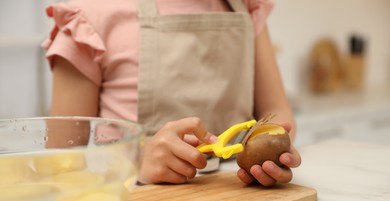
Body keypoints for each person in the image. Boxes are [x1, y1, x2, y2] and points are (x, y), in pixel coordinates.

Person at [42, 0, 301, 186]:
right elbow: (62, 161)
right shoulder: (89, 15)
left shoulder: (246, 7)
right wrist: (136, 163)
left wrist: (270, 152)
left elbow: (276, 112)